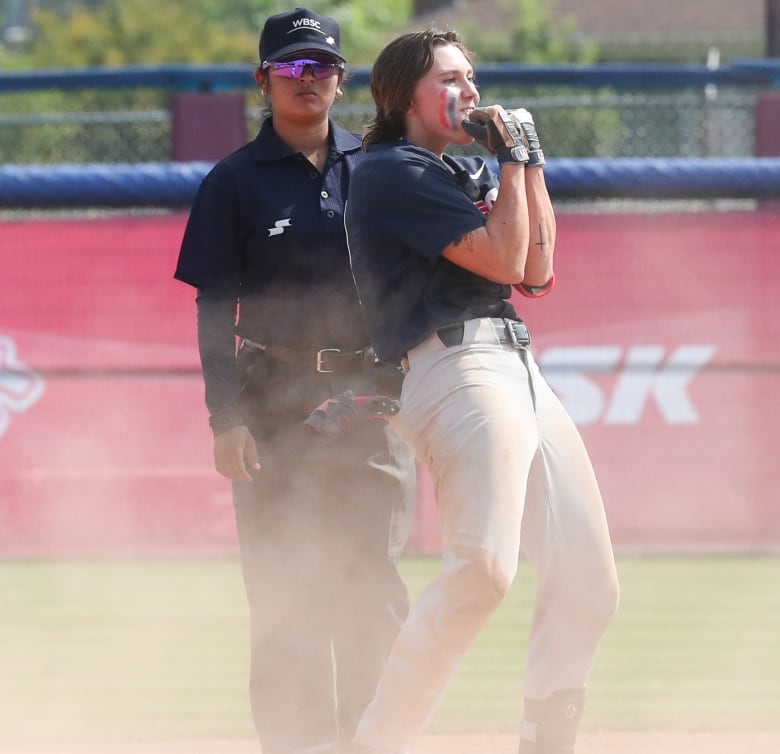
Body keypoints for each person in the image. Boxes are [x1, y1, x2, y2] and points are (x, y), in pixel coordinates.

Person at [343, 29, 620, 754]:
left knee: (590, 579)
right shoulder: (390, 169)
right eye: (449, 79)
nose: (469, 92)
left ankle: (544, 741)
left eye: (471, 77)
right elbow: (502, 254)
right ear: (403, 94)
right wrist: (509, 158)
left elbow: (535, 272)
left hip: (517, 368)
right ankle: (378, 742)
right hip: (454, 368)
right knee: (484, 572)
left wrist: (528, 164)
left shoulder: (460, 169)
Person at [173, 9, 416, 754]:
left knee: (372, 600)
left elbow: (419, 285)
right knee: (287, 605)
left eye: (321, 67)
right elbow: (215, 310)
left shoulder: (383, 168)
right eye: (291, 68)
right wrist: (225, 419)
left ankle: (374, 745)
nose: (307, 81)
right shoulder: (233, 183)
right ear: (263, 81)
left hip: (373, 408)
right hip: (274, 410)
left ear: (343, 81)